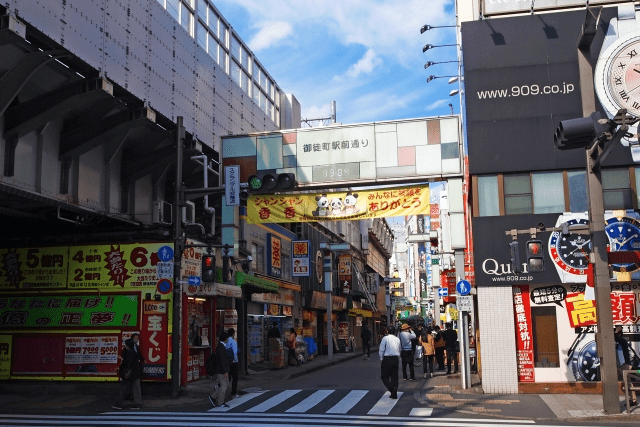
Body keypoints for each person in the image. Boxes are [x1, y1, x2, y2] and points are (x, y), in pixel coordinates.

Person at [112, 338, 143, 410]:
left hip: (128, 373)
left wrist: (122, 360)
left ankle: (118, 404)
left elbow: (127, 363)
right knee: (136, 388)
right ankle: (138, 404)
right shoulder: (134, 352)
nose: (125, 345)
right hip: (136, 373)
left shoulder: (127, 352)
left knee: (123, 388)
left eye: (125, 344)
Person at [208, 331, 231, 408]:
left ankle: (214, 397)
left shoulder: (220, 347)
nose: (228, 339)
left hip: (221, 370)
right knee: (224, 386)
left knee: (224, 385)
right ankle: (220, 402)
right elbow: (222, 361)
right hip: (221, 371)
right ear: (225, 338)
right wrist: (225, 371)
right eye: (227, 338)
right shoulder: (221, 348)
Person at [379, 326, 401, 399]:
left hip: (387, 358)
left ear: (387, 331)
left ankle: (392, 389)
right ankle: (394, 393)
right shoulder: (397, 339)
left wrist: (381, 358)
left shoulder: (385, 338)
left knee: (384, 376)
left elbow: (381, 349)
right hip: (395, 358)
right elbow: (399, 349)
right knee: (394, 377)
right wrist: (398, 357)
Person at [226, 328, 239, 399]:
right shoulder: (233, 341)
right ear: (233, 333)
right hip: (233, 362)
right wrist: (236, 360)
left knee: (228, 377)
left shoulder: (226, 341)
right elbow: (235, 352)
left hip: (227, 361)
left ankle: (219, 387)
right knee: (235, 378)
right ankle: (233, 393)